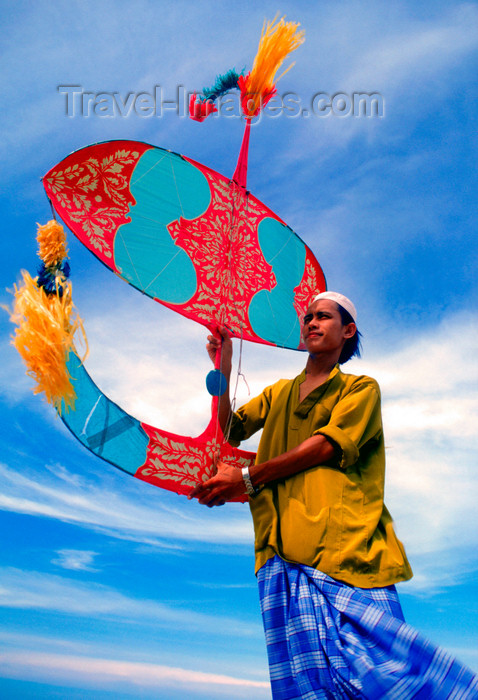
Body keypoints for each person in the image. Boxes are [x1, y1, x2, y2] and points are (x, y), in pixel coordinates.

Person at [189, 292, 478, 699]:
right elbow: (227, 432)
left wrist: (249, 478)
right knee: (310, 687)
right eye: (307, 317)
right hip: (279, 552)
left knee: (390, 677)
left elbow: (327, 445)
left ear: (347, 330)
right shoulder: (277, 394)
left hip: (345, 554)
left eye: (323, 316)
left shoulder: (361, 389)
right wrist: (223, 363)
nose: (311, 322)